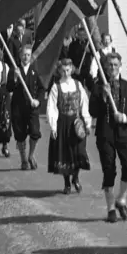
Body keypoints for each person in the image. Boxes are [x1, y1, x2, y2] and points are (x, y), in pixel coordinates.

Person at [94, 52, 127, 222]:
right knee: (109, 170)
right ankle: (110, 209)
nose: (113, 68)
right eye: (110, 65)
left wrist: (125, 117)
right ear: (105, 68)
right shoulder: (98, 86)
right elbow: (92, 111)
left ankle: (121, 199)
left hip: (123, 133)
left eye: (115, 65)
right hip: (105, 134)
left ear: (120, 66)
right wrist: (103, 96)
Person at [46, 58, 92, 194]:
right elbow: (51, 108)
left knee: (79, 152)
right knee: (65, 154)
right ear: (59, 71)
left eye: (68, 70)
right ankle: (67, 183)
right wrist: (53, 127)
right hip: (63, 123)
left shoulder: (78, 85)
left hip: (77, 123)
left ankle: (76, 178)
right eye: (63, 70)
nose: (66, 73)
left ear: (72, 69)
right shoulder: (56, 87)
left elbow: (85, 104)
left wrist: (88, 123)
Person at [9, 44, 44, 170]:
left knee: (35, 132)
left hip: (32, 107)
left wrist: (38, 101)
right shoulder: (14, 70)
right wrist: (15, 78)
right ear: (20, 55)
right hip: (18, 107)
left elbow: (41, 88)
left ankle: (31, 155)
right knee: (20, 134)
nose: (26, 57)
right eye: (24, 54)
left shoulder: (35, 70)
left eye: (28, 55)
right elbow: (9, 87)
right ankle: (23, 159)